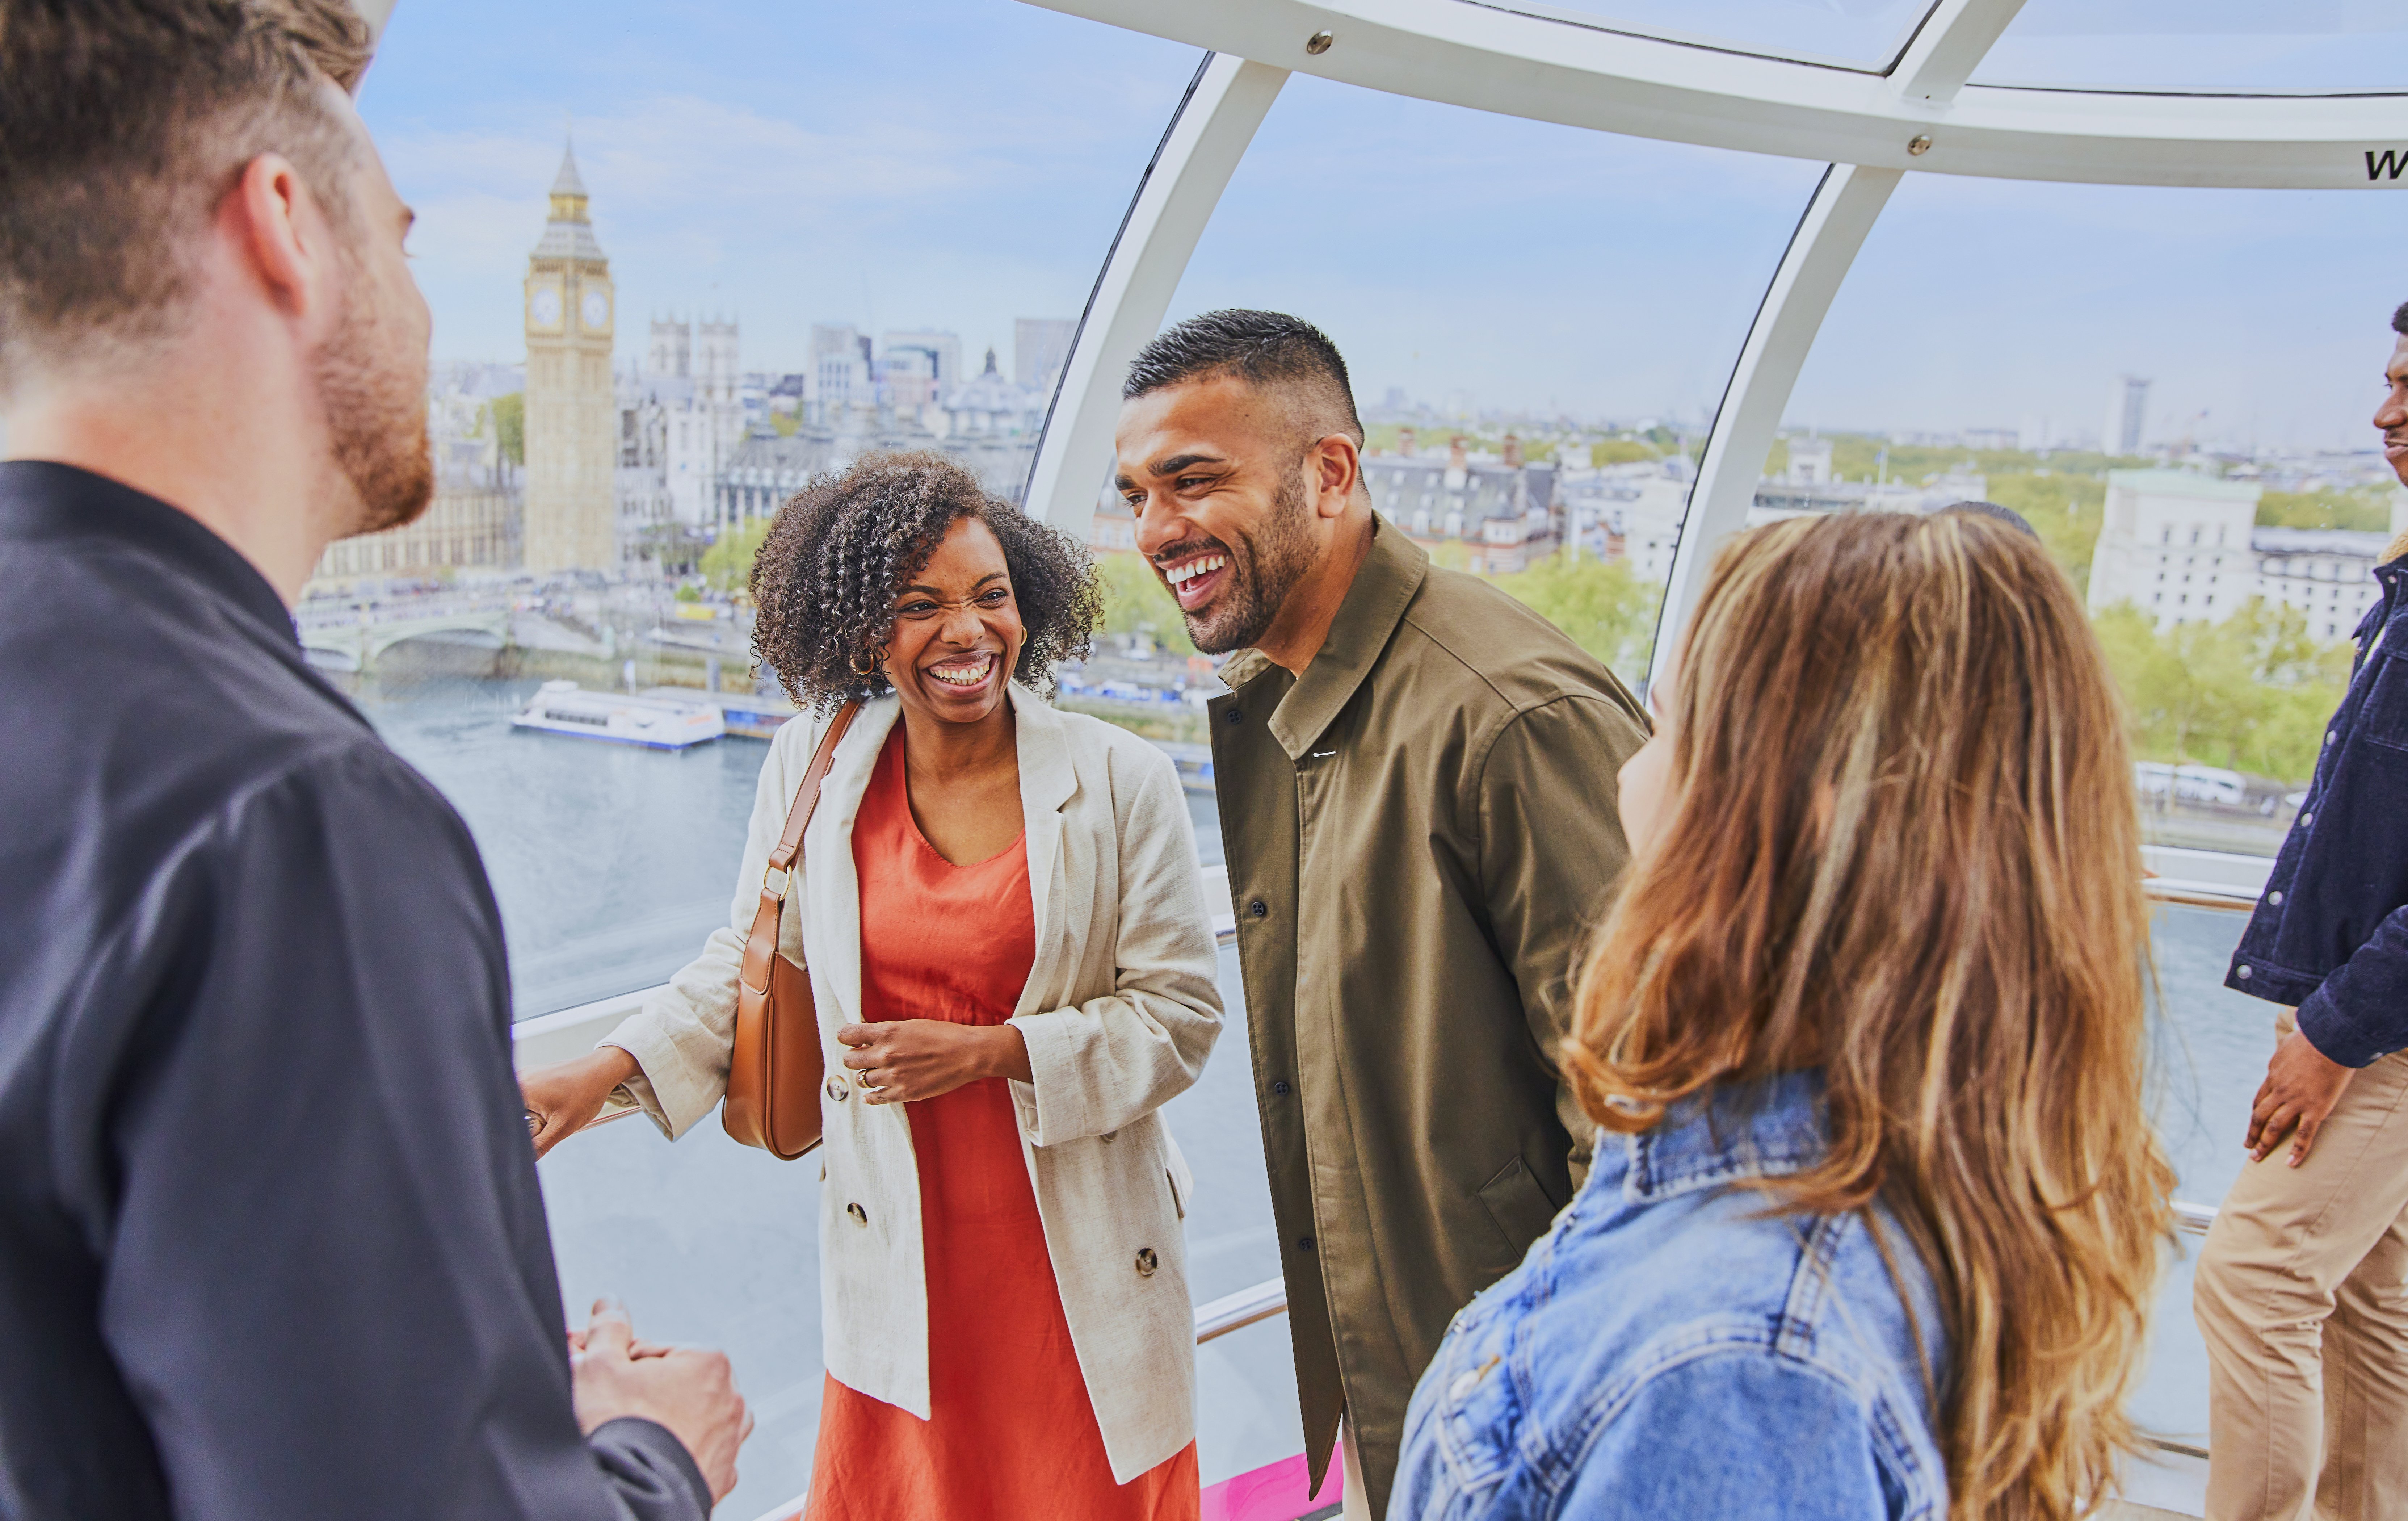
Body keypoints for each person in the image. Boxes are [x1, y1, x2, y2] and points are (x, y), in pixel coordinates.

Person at [0, 2, 749, 1517]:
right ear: (286, 224)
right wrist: (647, 1456)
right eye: (402, 239)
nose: (420, 300)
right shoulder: (287, 816)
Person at [1394, 509, 2176, 1521]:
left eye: (1670, 725)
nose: (1629, 768)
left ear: (1764, 807)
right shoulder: (1910, 1181)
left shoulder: (1738, 1361)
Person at [520, 452, 1223, 1518]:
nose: (969, 632)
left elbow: (1180, 1015)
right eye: (920, 607)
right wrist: (604, 1073)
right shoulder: (815, 762)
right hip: (901, 1250)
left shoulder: (1123, 780)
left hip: (1074, 1258)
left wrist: (997, 1053)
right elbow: (748, 961)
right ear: (860, 631)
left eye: (993, 597)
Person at [1113, 310, 1649, 1516]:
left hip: (1523, 1418)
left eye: (1195, 482)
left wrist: (1545, 1410)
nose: (1157, 532)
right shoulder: (1303, 709)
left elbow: (1644, 1118)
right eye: (1139, 494)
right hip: (1413, 1397)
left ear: (1333, 471)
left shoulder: (1507, 715)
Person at [2195, 282, 2408, 1521]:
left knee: (2256, 1279)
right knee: (2365, 1286)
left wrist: (2338, 1035)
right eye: (2395, 381)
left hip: (2399, 1026)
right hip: (2368, 1008)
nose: (2384, 412)